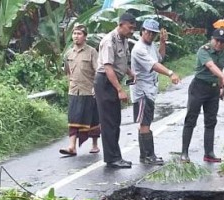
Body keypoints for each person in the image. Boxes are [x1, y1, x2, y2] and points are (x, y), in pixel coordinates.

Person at [130, 19, 180, 165]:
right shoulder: (139, 49)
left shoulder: (151, 45)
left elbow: (160, 58)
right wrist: (171, 73)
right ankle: (148, 155)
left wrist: (163, 42)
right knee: (145, 123)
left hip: (150, 90)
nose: (151, 35)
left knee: (146, 123)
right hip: (142, 92)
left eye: (154, 33)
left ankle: (144, 155)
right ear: (142, 31)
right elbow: (154, 65)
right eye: (148, 32)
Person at [181, 29, 224, 163]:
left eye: (222, 42)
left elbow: (220, 70)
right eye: (217, 41)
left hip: (213, 90)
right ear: (212, 39)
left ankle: (209, 153)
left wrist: (221, 87)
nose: (219, 44)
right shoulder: (203, 50)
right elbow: (210, 66)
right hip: (198, 87)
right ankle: (184, 153)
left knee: (211, 121)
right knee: (191, 119)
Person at [94, 13, 137, 169]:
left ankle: (115, 156)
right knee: (109, 122)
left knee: (115, 121)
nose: (132, 31)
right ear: (121, 24)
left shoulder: (124, 40)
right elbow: (108, 67)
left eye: (133, 28)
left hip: (112, 80)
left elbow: (121, 63)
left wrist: (130, 73)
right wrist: (119, 89)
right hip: (105, 82)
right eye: (130, 27)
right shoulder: (109, 41)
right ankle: (112, 159)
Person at [59, 24, 101, 157]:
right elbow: (67, 72)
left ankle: (95, 145)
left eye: (79, 34)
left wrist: (96, 87)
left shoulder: (91, 52)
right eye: (74, 34)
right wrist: (70, 84)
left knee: (93, 119)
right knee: (73, 117)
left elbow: (98, 70)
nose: (76, 36)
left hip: (89, 91)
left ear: (85, 36)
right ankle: (72, 147)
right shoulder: (68, 53)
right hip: (74, 91)